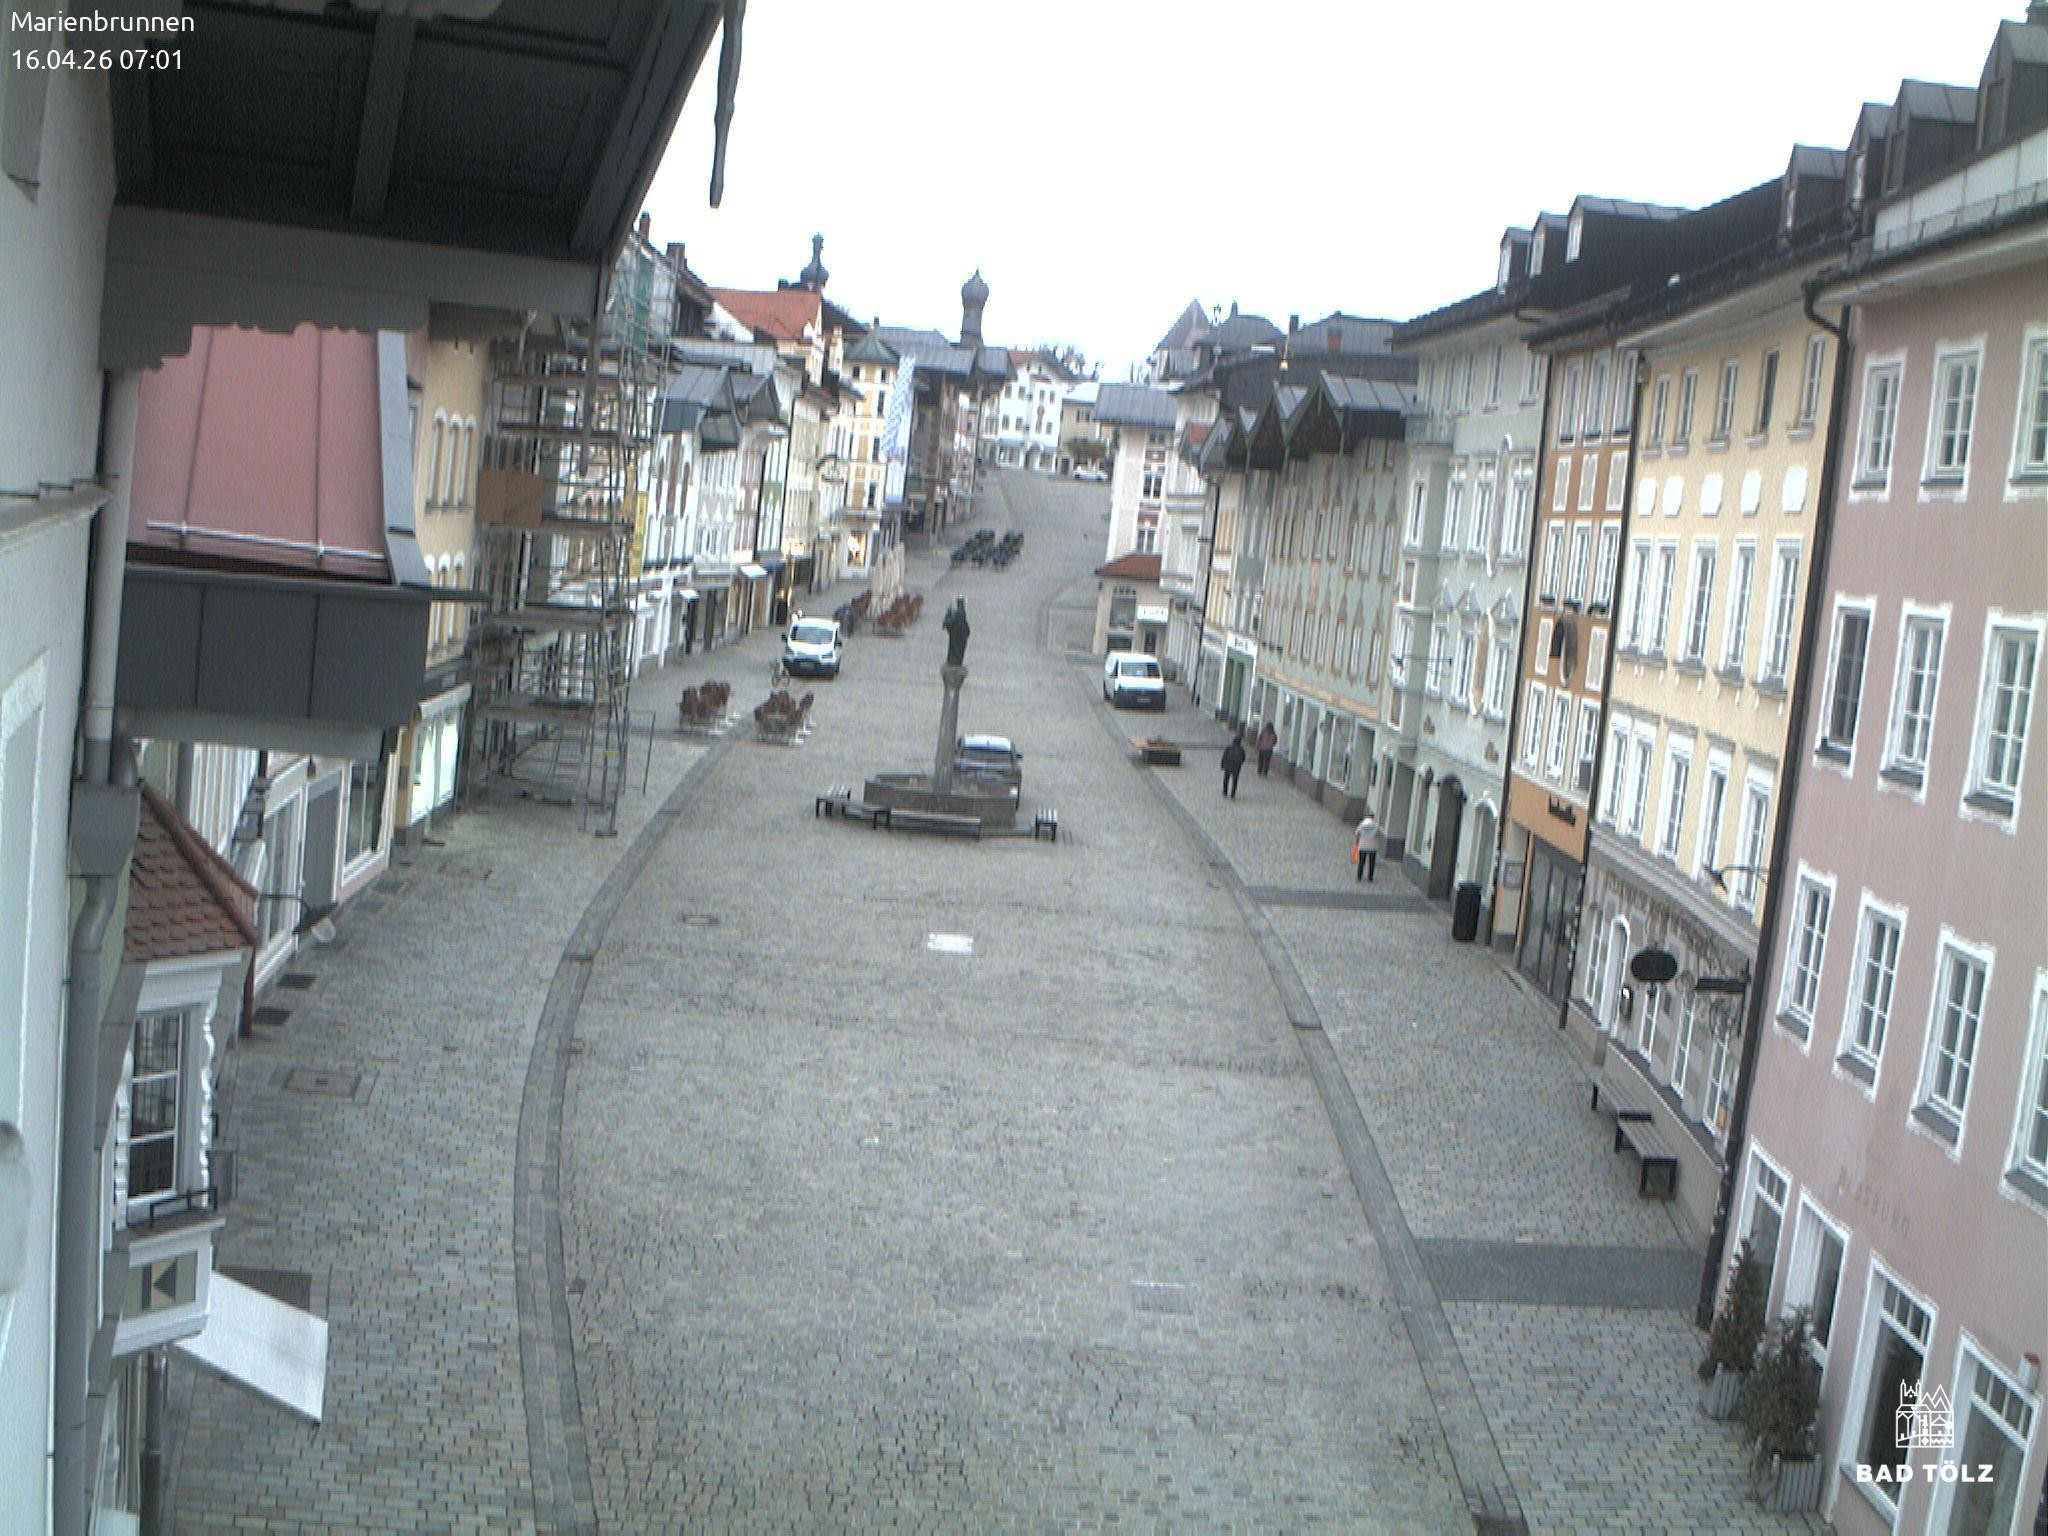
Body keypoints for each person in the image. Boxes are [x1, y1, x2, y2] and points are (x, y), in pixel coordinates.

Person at [1352, 811, 1383, 883]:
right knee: (1372, 863)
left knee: (1361, 862)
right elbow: (1378, 834)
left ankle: (1359, 876)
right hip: (1373, 846)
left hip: (1363, 845)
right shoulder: (1376, 825)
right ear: (1372, 818)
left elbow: (1356, 833)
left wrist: (1357, 841)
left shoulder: (1361, 825)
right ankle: (1370, 877)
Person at [1220, 732, 1247, 799]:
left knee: (1226, 779)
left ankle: (1225, 792)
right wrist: (1240, 763)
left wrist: (1222, 765)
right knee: (1235, 781)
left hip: (1228, 766)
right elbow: (1243, 758)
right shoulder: (1241, 749)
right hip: (1236, 767)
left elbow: (1224, 757)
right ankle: (1232, 794)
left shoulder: (1229, 748)